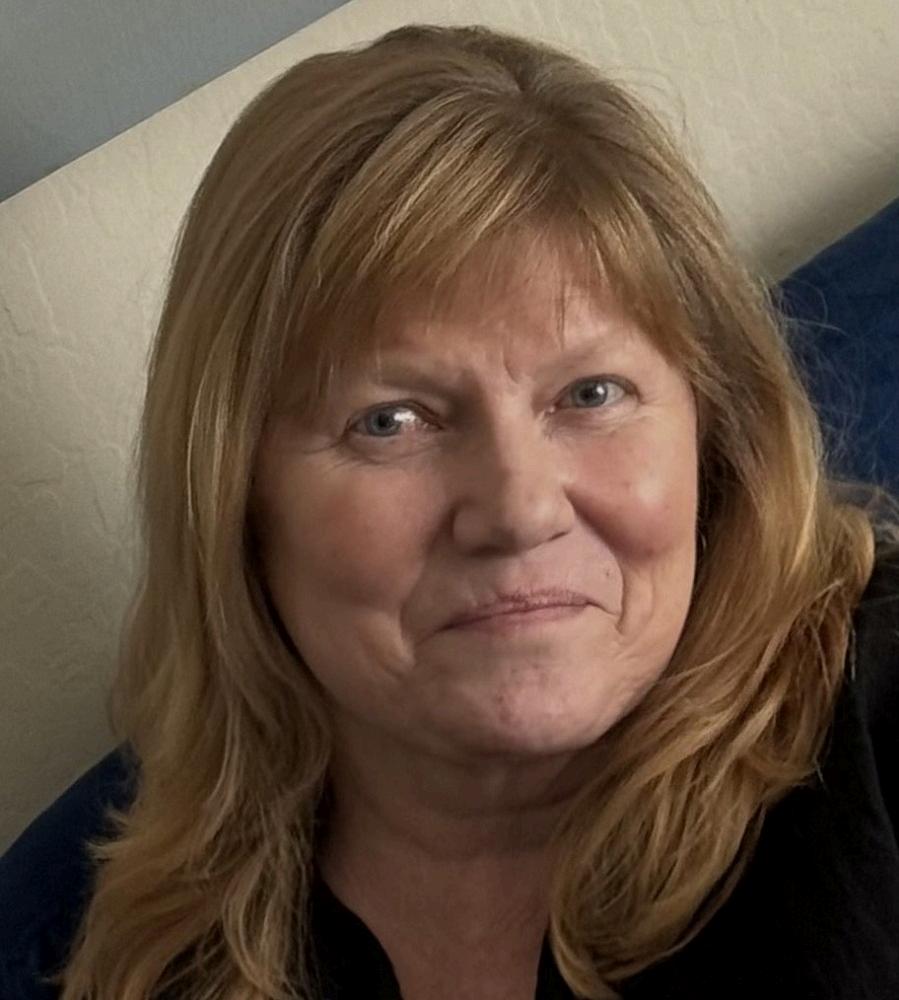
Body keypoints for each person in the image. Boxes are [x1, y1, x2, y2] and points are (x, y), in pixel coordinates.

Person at [2, 22, 898, 1000]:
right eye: (390, 421)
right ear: (237, 502)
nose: (518, 509)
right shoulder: (146, 958)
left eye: (590, 394)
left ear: (714, 439)